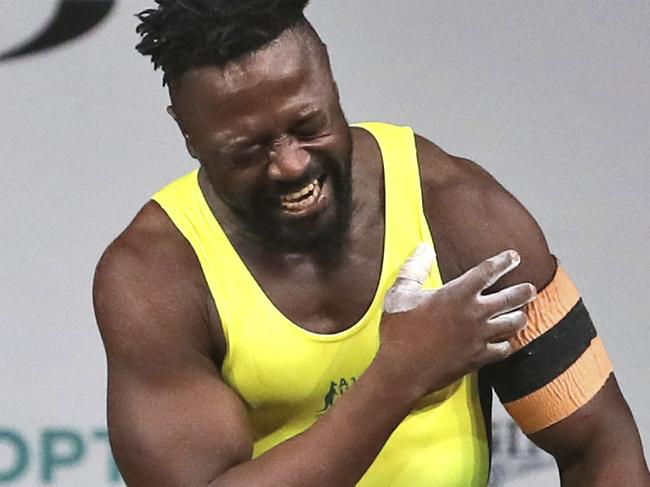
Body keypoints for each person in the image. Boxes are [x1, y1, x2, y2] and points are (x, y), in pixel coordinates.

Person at [92, 1, 650, 485]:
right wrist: (398, 377)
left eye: (308, 125)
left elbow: (599, 444)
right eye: (247, 149)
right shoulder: (155, 277)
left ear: (330, 80)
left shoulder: (459, 211)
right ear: (188, 133)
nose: (290, 164)